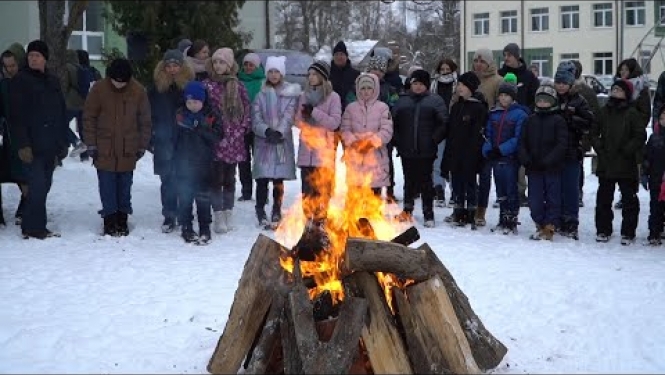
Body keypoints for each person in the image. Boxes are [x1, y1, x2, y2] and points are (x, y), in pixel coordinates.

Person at [83, 58, 152, 236]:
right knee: (107, 185)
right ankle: (109, 219)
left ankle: (122, 218)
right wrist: (91, 143)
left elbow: (145, 121)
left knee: (124, 186)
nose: (119, 85)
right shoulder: (98, 89)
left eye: (123, 82)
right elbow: (89, 117)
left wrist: (142, 145)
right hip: (104, 148)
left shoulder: (138, 91)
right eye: (115, 81)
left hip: (128, 148)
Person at [10, 40, 69, 239]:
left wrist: (63, 142)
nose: (33, 59)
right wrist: (22, 144)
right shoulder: (21, 80)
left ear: (45, 58)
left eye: (37, 55)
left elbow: (61, 112)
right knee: (37, 186)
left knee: (45, 185)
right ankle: (33, 227)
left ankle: (33, 223)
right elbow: (15, 116)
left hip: (50, 144)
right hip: (32, 144)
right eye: (30, 56)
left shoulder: (52, 81)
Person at [203, 48, 251, 234]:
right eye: (215, 62)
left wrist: (242, 128)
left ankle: (228, 211)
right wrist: (211, 127)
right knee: (216, 178)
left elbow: (247, 108)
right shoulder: (207, 85)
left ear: (230, 66)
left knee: (230, 178)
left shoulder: (238, 86)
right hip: (216, 139)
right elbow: (205, 109)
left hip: (234, 140)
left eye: (222, 62)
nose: (218, 66)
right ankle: (218, 214)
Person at [592, 79, 646, 245]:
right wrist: (600, 149)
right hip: (607, 162)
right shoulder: (603, 111)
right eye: (613, 89)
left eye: (619, 90)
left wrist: (628, 150)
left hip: (625, 162)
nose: (615, 92)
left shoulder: (632, 113)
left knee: (629, 199)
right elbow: (594, 132)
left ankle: (628, 232)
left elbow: (640, 136)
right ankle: (603, 230)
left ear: (627, 94)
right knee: (603, 199)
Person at [251, 55, 301, 229]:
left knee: (278, 180)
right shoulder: (261, 94)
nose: (273, 75)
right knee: (262, 178)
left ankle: (276, 208)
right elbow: (255, 117)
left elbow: (289, 114)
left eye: (276, 72)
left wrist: (280, 131)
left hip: (280, 141)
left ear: (282, 74)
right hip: (264, 142)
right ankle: (260, 209)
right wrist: (265, 130)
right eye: (270, 71)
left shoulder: (289, 94)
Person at [393, 69, 447, 227]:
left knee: (426, 183)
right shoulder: (402, 101)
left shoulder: (435, 101)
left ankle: (428, 212)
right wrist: (398, 141)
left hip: (426, 150)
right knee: (408, 180)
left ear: (427, 85)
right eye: (415, 83)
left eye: (421, 84)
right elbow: (393, 123)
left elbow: (443, 123)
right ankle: (407, 209)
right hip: (406, 149)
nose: (417, 87)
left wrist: (434, 139)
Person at [148, 49, 194, 233]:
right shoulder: (156, 88)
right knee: (167, 180)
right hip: (163, 138)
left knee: (184, 178)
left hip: (185, 139)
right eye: (169, 66)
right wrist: (151, 135)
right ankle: (169, 215)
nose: (172, 69)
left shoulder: (189, 86)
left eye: (176, 65)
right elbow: (148, 113)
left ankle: (185, 214)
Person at [174, 81, 222, 244]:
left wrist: (201, 129)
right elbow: (173, 139)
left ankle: (205, 227)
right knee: (185, 196)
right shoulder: (180, 115)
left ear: (203, 101)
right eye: (189, 102)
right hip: (183, 164)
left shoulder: (211, 116)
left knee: (203, 197)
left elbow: (218, 136)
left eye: (195, 102)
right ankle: (186, 226)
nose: (192, 105)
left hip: (204, 164)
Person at [294, 60, 342, 225]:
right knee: (307, 193)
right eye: (310, 74)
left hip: (323, 154)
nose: (311, 77)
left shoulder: (333, 97)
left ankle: (321, 223)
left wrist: (314, 112)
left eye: (314, 74)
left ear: (323, 76)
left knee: (322, 192)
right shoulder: (304, 96)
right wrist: (303, 116)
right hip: (306, 152)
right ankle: (307, 223)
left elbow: (334, 123)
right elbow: (298, 122)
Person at [518, 85, 568, 241]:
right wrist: (526, 159)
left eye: (546, 100)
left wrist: (548, 161)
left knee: (553, 197)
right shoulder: (530, 120)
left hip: (552, 168)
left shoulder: (558, 120)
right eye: (539, 100)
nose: (542, 103)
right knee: (535, 199)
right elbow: (522, 142)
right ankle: (539, 223)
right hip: (533, 168)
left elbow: (561, 144)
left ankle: (550, 226)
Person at [552, 61, 594, 240]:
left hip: (571, 150)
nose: (560, 86)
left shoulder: (579, 100)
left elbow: (589, 122)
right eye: (558, 82)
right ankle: (557, 219)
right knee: (556, 188)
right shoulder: (550, 97)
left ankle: (571, 222)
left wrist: (572, 118)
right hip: (553, 151)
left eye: (564, 83)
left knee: (570, 188)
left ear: (571, 83)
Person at [482, 78, 528, 233]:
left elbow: (518, 138)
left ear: (513, 97)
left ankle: (511, 220)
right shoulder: (493, 114)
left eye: (507, 95)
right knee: (500, 189)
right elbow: (487, 134)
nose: (503, 98)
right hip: (496, 158)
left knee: (511, 189)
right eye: (501, 95)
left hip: (510, 158)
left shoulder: (520, 114)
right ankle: (503, 218)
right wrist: (488, 149)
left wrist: (501, 149)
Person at [441, 72, 486, 228]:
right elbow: (451, 131)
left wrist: (474, 153)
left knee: (470, 184)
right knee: (457, 183)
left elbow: (478, 134)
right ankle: (458, 211)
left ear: (470, 88)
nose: (458, 87)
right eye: (458, 85)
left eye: (462, 85)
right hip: (456, 153)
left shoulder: (478, 108)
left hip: (470, 154)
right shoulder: (456, 107)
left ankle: (472, 212)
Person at [341, 73, 393, 202]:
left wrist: (371, 142)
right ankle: (353, 220)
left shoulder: (383, 108)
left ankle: (373, 219)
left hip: (376, 157)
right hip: (355, 157)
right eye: (362, 88)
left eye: (369, 88)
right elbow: (345, 129)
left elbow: (387, 130)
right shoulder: (351, 108)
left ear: (375, 89)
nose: (366, 91)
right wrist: (354, 142)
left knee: (373, 198)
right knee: (355, 196)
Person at [0, 43, 28, 226]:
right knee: (14, 173)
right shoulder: (3, 84)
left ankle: (26, 207)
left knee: (26, 176)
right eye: (6, 66)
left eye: (12, 65)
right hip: (9, 136)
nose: (10, 69)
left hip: (26, 137)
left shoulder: (28, 82)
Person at [366, 55, 400, 202]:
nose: (377, 72)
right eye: (374, 69)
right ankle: (370, 189)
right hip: (366, 130)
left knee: (386, 161)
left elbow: (395, 107)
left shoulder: (389, 89)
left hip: (384, 131)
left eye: (380, 70)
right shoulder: (362, 86)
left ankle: (390, 189)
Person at [571, 60, 600, 208]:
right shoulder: (561, 88)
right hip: (564, 136)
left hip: (581, 136)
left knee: (577, 165)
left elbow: (594, 116)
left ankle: (578, 193)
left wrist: (589, 137)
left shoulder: (586, 92)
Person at [237, 52, 266, 201]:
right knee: (243, 160)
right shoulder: (238, 81)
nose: (248, 67)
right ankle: (246, 191)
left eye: (251, 65)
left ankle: (262, 192)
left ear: (257, 66)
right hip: (242, 126)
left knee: (259, 159)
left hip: (259, 126)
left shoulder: (263, 82)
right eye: (246, 64)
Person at [430, 58, 458, 207]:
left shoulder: (457, 85)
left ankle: (455, 192)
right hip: (438, 126)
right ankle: (438, 189)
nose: (445, 72)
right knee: (437, 161)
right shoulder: (433, 85)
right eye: (442, 69)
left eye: (448, 69)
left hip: (454, 127)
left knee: (453, 162)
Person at [642, 104, 665, 245]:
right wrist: (645, 173)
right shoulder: (654, 138)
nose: (664, 120)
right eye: (662, 117)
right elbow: (647, 158)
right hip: (656, 179)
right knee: (655, 208)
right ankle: (654, 233)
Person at [498, 43, 540, 111]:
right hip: (502, 116)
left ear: (517, 57)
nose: (506, 58)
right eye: (504, 55)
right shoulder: (500, 74)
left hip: (523, 116)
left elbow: (535, 98)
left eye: (509, 55)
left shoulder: (529, 76)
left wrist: (527, 112)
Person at [330, 41, 361, 112]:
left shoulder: (355, 74)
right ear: (333, 57)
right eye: (336, 54)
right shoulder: (327, 73)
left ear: (346, 57)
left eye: (341, 54)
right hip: (331, 111)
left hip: (350, 111)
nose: (339, 57)